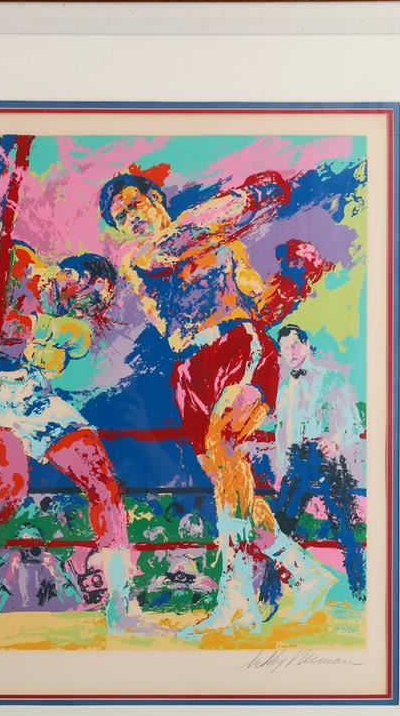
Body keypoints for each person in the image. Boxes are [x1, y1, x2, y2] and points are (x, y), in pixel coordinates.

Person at [100, 170, 337, 635]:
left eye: (134, 204)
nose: (130, 218)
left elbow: (260, 306)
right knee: (231, 481)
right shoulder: (139, 256)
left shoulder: (224, 247)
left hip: (236, 345)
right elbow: (179, 243)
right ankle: (304, 572)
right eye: (120, 217)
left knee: (224, 444)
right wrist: (252, 197)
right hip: (188, 371)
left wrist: (293, 281)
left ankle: (237, 595)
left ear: (155, 199)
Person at [0, 242, 132, 641]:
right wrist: (41, 331)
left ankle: (122, 605)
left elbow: (47, 354)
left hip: (25, 385)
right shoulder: (15, 260)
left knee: (102, 476)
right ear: (75, 276)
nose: (83, 313)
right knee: (8, 485)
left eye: (92, 310)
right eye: (88, 301)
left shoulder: (55, 317)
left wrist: (43, 344)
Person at [270, 324, 366, 608]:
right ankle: (271, 594)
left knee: (343, 526)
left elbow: (352, 423)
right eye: (284, 349)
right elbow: (281, 431)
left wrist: (335, 440)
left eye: (294, 345)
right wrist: (281, 468)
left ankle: (359, 590)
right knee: (279, 526)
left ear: (307, 344)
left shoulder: (331, 378)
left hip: (325, 461)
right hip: (295, 462)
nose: (290, 353)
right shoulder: (285, 387)